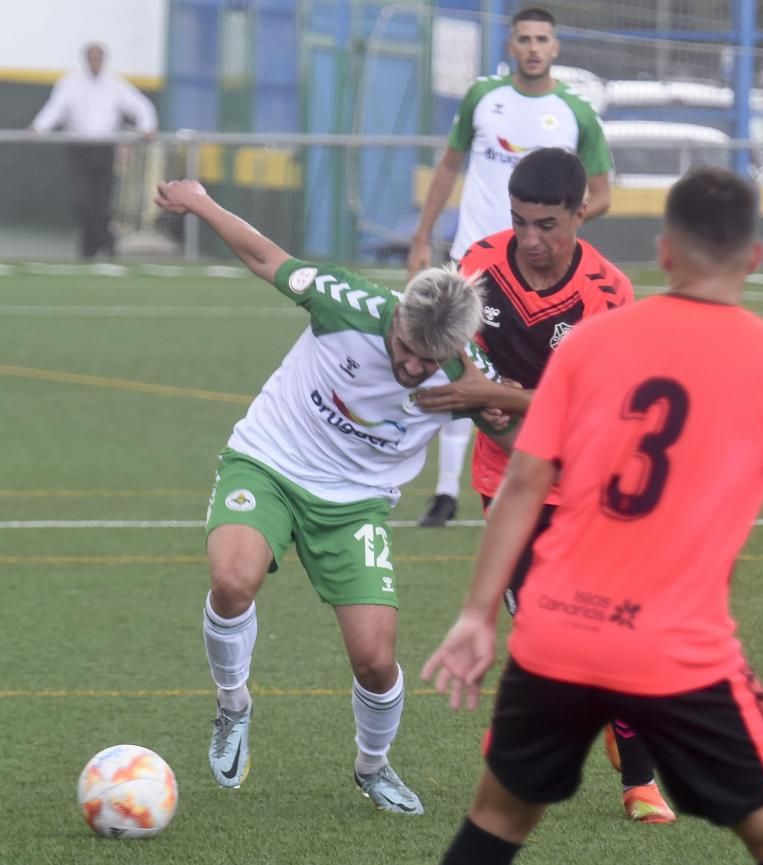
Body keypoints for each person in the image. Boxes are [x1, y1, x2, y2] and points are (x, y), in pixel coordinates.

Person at [420, 168, 763, 865]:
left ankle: (636, 777)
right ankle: (640, 777)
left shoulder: (597, 341)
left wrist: (476, 615)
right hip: (675, 644)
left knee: (497, 820)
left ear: (665, 252)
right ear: (754, 258)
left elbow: (526, 482)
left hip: (556, 628)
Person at [152, 177, 513, 814]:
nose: (409, 369)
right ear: (397, 314)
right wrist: (200, 202)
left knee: (376, 660)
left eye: (425, 363)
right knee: (232, 581)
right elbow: (267, 256)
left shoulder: (465, 376)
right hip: (268, 460)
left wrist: (497, 401)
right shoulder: (346, 302)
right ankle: (233, 704)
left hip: (355, 503)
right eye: (404, 349)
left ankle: (372, 769)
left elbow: (526, 437)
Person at [412, 147, 673, 823]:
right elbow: (449, 350)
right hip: (512, 481)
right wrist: (473, 396)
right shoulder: (476, 265)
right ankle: (624, 760)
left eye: (548, 224)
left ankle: (634, 770)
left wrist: (495, 393)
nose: (531, 240)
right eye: (520, 221)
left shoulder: (610, 293)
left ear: (581, 213)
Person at [407, 6, 612, 528]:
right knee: (456, 367)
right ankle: (446, 490)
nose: (534, 47)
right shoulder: (483, 98)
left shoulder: (576, 114)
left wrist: (554, 227)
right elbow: (450, 165)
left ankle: (539, 484)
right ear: (510, 45)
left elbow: (602, 193)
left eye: (543, 38)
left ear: (556, 47)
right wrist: (423, 236)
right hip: (474, 261)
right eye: (524, 38)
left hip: (540, 273)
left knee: (527, 381)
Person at [30, 42, 158, 259]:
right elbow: (55, 108)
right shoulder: (70, 83)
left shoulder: (115, 84)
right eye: (92, 57)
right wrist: (38, 128)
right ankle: (103, 241)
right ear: (85, 59)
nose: (95, 61)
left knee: (102, 200)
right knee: (81, 200)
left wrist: (147, 127)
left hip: (104, 149)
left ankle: (93, 248)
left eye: (99, 57)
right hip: (79, 149)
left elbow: (140, 106)